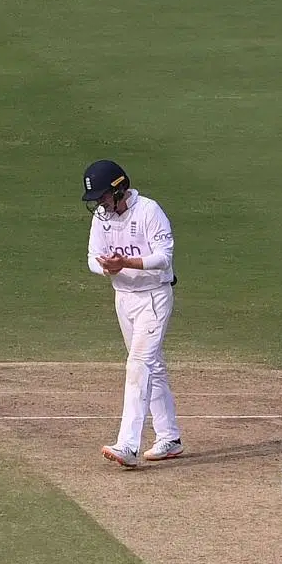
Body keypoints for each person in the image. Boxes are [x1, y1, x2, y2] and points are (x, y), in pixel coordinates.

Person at [84, 159, 182, 468]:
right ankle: (169, 437)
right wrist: (105, 267)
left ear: (119, 189)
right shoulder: (102, 217)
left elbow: (163, 259)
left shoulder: (149, 211)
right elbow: (90, 258)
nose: (100, 203)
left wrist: (126, 263)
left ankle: (128, 444)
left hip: (153, 297)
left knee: (138, 366)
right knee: (154, 367)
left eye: (103, 196)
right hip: (123, 298)